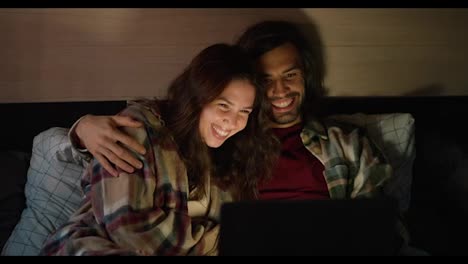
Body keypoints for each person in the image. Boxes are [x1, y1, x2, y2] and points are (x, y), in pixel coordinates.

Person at [66, 21, 414, 253]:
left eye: (290, 75)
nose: (279, 90)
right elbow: (127, 207)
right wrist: (82, 127)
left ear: (306, 77)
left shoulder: (346, 143)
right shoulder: (219, 143)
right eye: (265, 80)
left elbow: (381, 226)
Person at [39, 43, 279, 256]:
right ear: (198, 98)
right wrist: (224, 239)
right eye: (223, 105)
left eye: (244, 112)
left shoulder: (234, 155)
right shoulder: (138, 128)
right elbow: (129, 228)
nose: (231, 121)